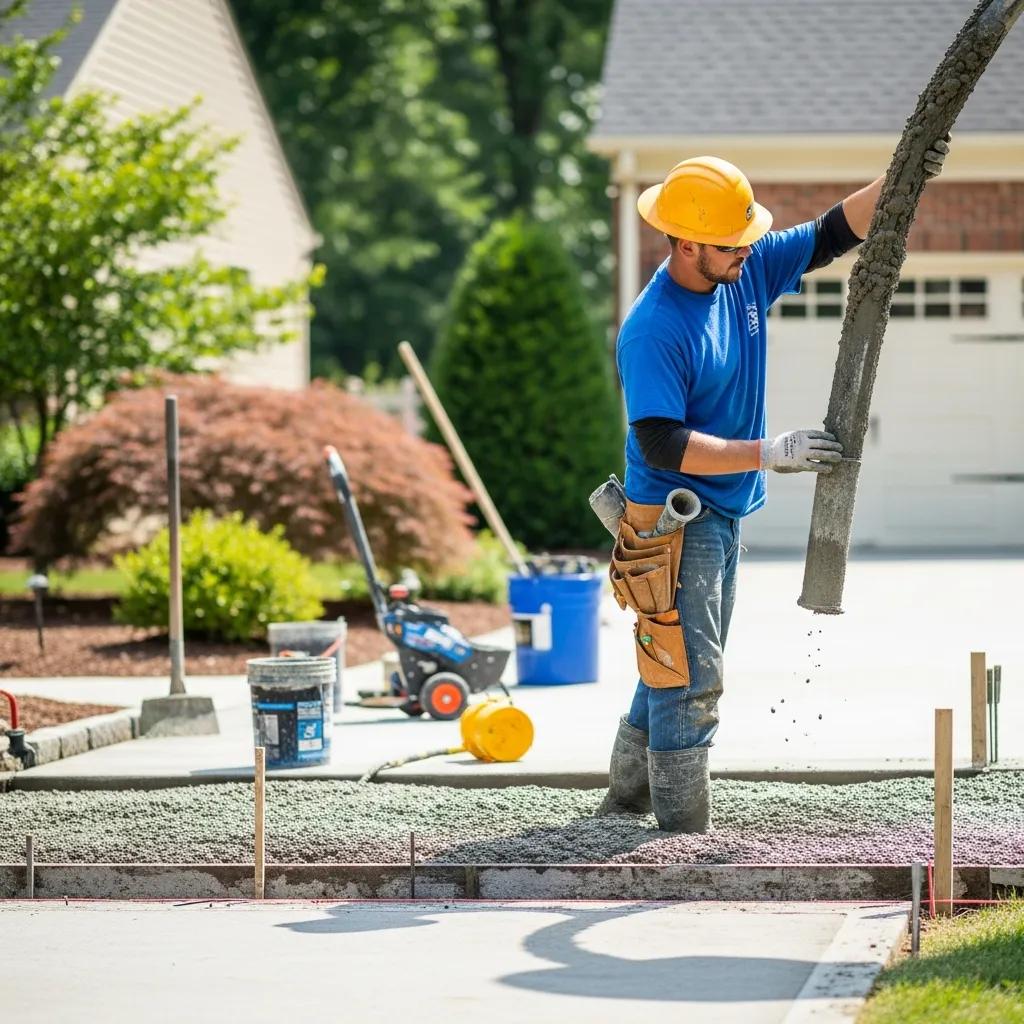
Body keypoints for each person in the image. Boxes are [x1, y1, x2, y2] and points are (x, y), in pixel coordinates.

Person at [598, 142, 950, 832]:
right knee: (692, 678)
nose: (746, 251)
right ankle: (679, 829)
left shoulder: (742, 274)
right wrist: (771, 453)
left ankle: (624, 802)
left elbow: (830, 233)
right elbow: (659, 442)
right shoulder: (654, 328)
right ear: (690, 243)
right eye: (732, 244)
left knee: (667, 662)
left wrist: (905, 173)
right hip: (673, 524)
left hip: (720, 515)